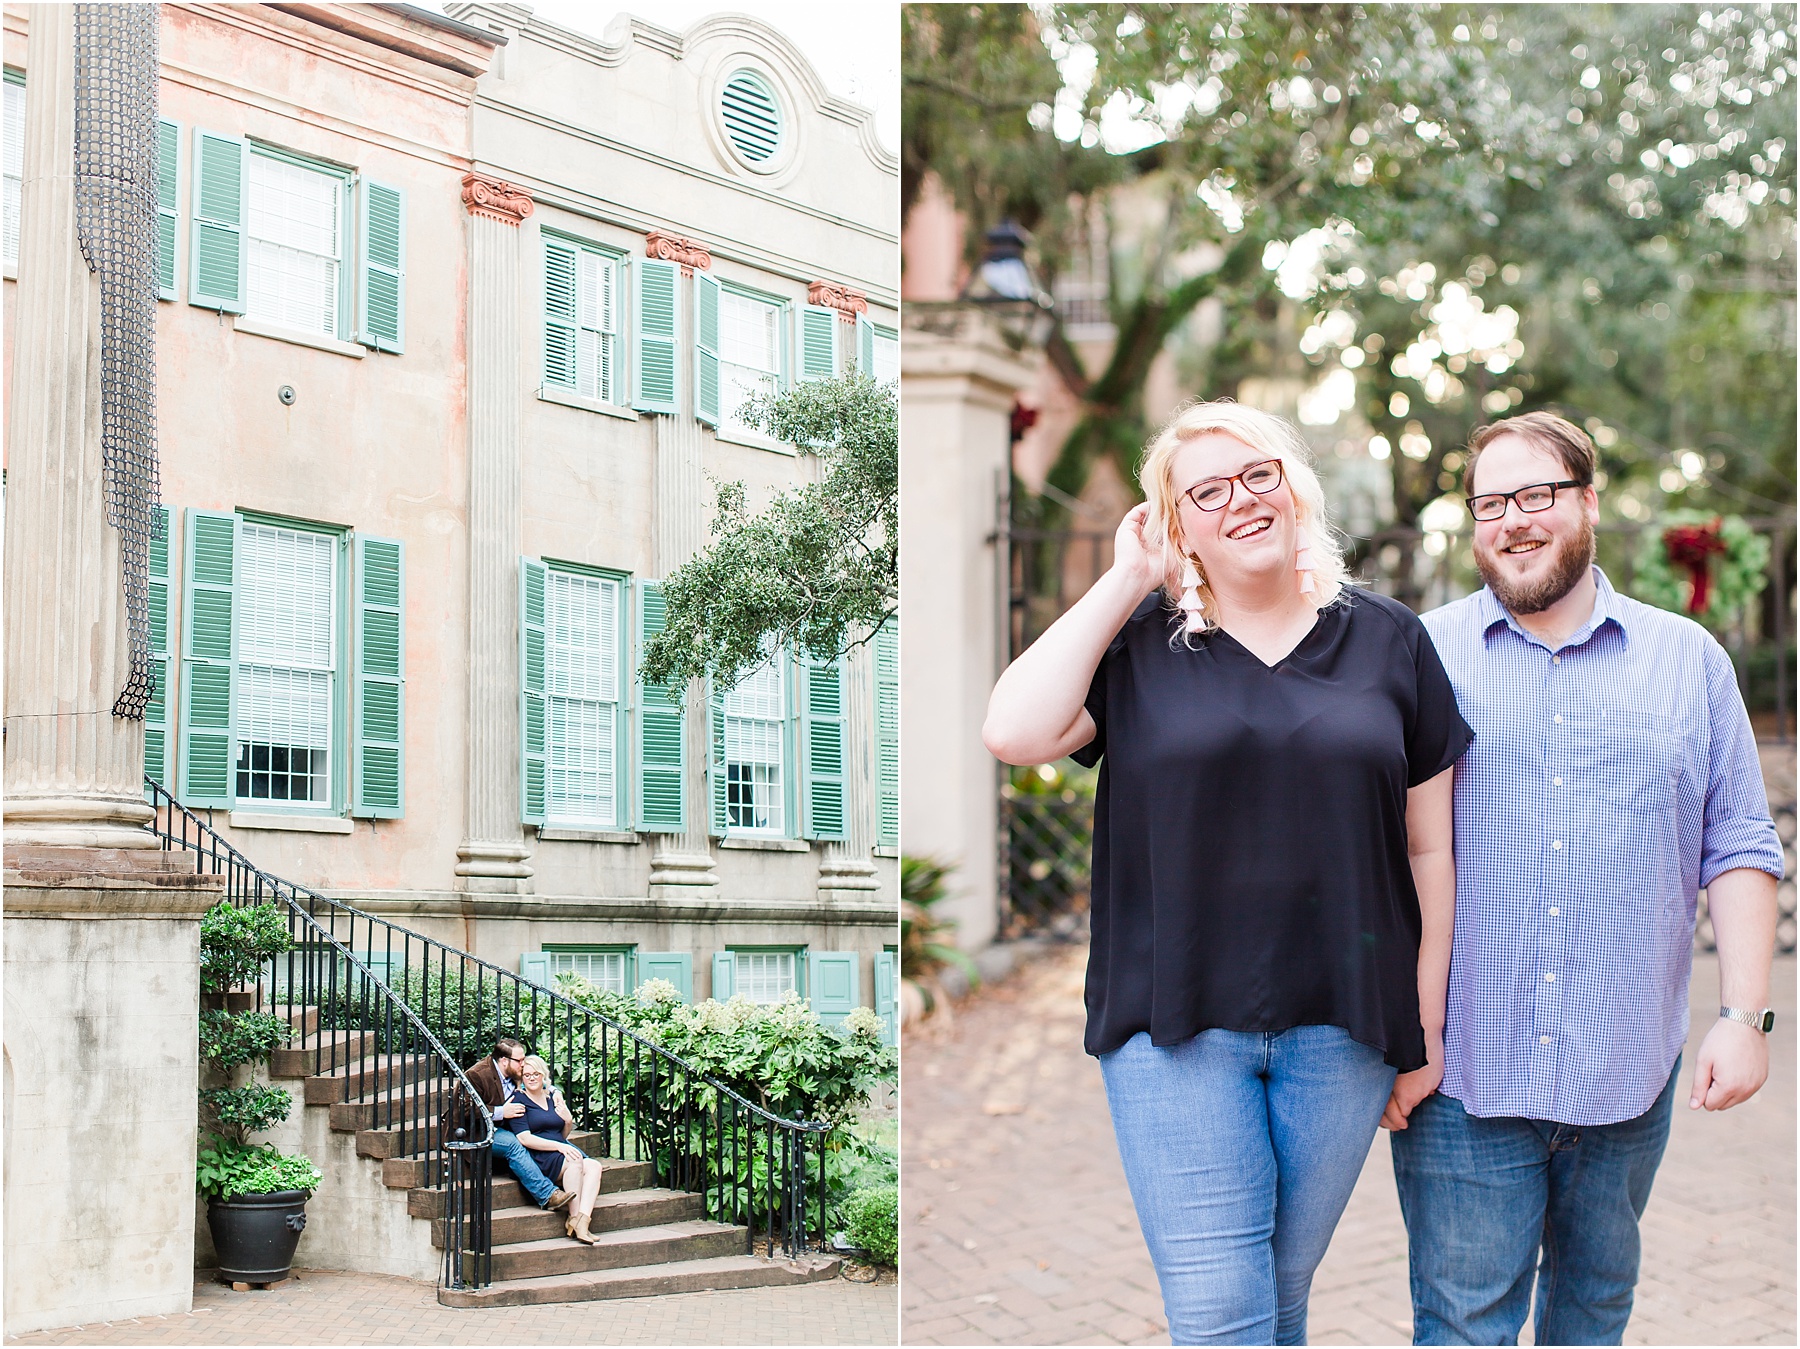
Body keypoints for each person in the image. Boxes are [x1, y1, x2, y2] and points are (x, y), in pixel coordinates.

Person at [983, 400, 1471, 1345]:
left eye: (1257, 474)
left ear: (1295, 484)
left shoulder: (1391, 638)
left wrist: (1427, 1023)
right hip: (1174, 1028)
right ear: (1177, 525)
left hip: (1347, 1025)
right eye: (1204, 492)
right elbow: (1014, 730)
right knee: (1219, 1312)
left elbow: (1429, 848)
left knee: (1276, 1298)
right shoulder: (1140, 646)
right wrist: (1127, 577)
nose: (1239, 501)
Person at [1391, 410, 1785, 1346]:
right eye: (1490, 501)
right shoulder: (1420, 653)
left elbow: (1736, 842)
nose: (1512, 519)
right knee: (1461, 1326)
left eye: (1536, 494)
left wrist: (1744, 1015)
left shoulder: (1687, 661)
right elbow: (1369, 849)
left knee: (1593, 1317)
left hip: (1626, 1076)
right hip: (1463, 1078)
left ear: (1589, 503)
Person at [450, 1037, 574, 1214]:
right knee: (513, 1144)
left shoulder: (513, 1072)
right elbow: (465, 1110)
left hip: (505, 1126)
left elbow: (537, 1080)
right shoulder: (477, 1074)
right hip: (474, 1131)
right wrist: (501, 1112)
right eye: (520, 1061)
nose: (523, 1064)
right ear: (504, 1060)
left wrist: (554, 1090)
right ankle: (547, 1194)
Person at [507, 1055, 605, 1245]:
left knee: (594, 1166)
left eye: (536, 1073)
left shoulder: (552, 1097)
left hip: (560, 1149)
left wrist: (568, 1121)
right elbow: (524, 1138)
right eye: (527, 1075)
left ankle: (582, 1221)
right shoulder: (518, 1100)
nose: (532, 1078)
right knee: (575, 1161)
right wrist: (560, 1147)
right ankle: (575, 1217)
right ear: (521, 1078)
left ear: (544, 1075)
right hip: (540, 1155)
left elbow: (562, 1133)